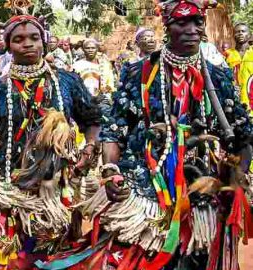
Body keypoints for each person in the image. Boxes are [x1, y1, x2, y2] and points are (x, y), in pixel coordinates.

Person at [36, 0, 253, 269]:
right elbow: (116, 128)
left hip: (200, 190)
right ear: (167, 26)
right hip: (141, 187)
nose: (192, 30)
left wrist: (237, 177)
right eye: (181, 23)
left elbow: (242, 136)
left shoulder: (218, 78)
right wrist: (112, 171)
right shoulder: (139, 73)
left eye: (197, 22)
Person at [0, 12, 102, 269]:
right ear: (8, 46)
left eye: (34, 38)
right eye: (19, 39)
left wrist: (90, 147)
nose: (28, 44)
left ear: (44, 42)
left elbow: (92, 119)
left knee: (53, 259)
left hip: (56, 190)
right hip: (8, 188)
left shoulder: (66, 82)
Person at [225, 22, 253, 107]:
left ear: (249, 35)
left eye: (243, 31)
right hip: (234, 104)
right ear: (233, 35)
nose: (240, 33)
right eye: (237, 31)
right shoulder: (226, 54)